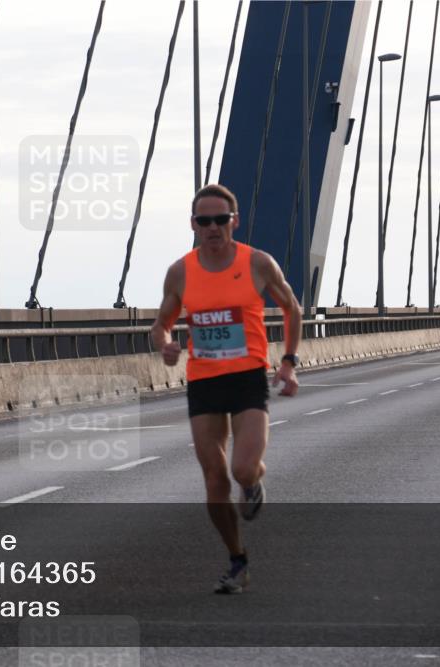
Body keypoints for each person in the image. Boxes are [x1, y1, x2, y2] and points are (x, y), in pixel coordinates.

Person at [151, 183, 303, 594]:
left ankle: (253, 483)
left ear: (234, 221)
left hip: (248, 378)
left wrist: (288, 363)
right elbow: (161, 322)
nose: (213, 228)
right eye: (205, 221)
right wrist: (165, 344)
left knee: (241, 470)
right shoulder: (181, 271)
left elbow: (291, 308)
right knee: (215, 480)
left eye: (221, 220)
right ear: (194, 225)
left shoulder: (257, 263)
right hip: (204, 382)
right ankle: (237, 560)